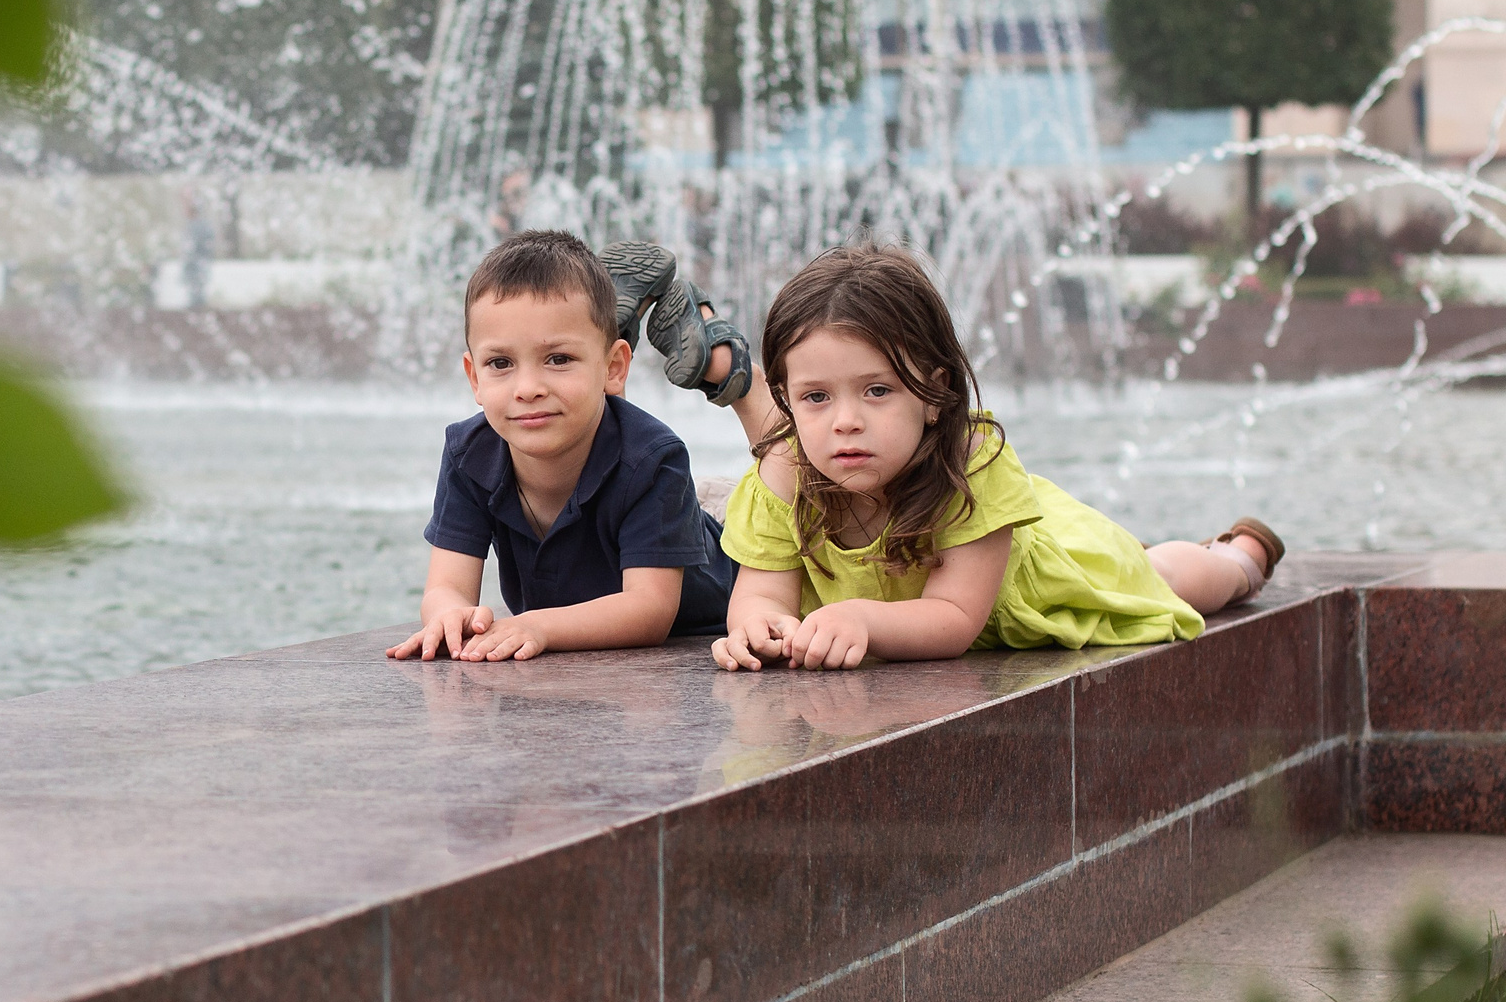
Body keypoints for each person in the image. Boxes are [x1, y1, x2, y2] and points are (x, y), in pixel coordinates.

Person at [711, 243, 1282, 671]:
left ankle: (1238, 560)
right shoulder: (783, 472)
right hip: (939, 601)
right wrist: (760, 626)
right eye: (816, 397)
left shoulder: (971, 461)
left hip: (1035, 588)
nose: (845, 420)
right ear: (786, 399)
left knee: (1160, 577)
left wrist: (860, 617)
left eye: (877, 390)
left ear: (934, 394)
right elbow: (762, 590)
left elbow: (954, 618)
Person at [388, 229, 776, 662]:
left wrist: (538, 624)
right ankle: (596, 333)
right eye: (501, 363)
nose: (528, 388)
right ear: (474, 377)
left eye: (557, 359)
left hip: (723, 570)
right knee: (594, 424)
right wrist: (448, 615)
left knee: (793, 487)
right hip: (612, 467)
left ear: (616, 367)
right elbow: (447, 586)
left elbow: (649, 611)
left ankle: (726, 360)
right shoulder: (469, 452)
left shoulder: (655, 457)